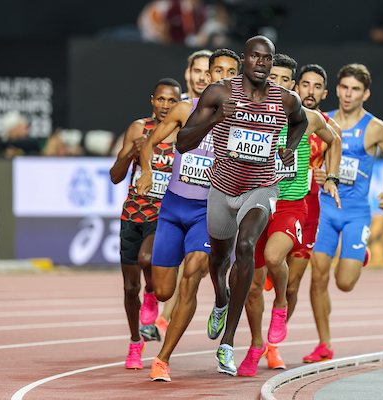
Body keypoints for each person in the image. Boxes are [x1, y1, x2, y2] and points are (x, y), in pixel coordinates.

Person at [168, 35, 309, 376]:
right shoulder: (219, 93)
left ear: (271, 62)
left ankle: (228, 343)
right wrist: (216, 118)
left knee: (245, 247)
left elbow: (301, 121)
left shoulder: (285, 99)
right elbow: (182, 143)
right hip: (221, 189)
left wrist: (289, 147)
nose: (261, 63)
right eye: (255, 57)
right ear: (244, 59)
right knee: (218, 262)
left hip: (261, 188)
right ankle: (221, 299)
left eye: (267, 58)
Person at [135, 49, 241, 382]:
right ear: (207, 76)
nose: (224, 77)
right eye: (218, 70)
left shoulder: (243, 119)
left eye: (231, 72)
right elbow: (149, 143)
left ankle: (162, 358)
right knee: (164, 291)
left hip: (208, 211)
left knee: (193, 272)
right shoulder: (184, 109)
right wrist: (147, 171)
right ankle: (160, 301)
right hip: (172, 209)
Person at [237, 56, 341, 376]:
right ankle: (256, 346)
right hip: (257, 203)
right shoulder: (252, 113)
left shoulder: (309, 117)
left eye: (285, 80)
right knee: (253, 287)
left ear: (292, 85)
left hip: (293, 205)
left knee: (279, 264)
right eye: (274, 78)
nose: (279, 85)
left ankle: (279, 313)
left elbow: (335, 140)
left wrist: (331, 177)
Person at [306, 63, 383, 363]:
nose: (349, 95)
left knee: (344, 283)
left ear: (366, 94)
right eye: (345, 88)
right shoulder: (322, 121)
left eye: (356, 90)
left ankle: (359, 253)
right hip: (325, 208)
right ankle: (324, 343)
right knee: (318, 276)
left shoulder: (374, 128)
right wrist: (318, 173)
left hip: (355, 212)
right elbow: (310, 157)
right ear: (336, 90)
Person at [109, 78, 181, 370]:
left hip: (163, 214)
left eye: (172, 101)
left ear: (179, 104)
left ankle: (151, 293)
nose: (165, 105)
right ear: (152, 100)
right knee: (129, 288)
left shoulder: (184, 135)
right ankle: (135, 341)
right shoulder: (138, 129)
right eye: (161, 99)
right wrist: (131, 152)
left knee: (146, 259)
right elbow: (115, 176)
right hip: (132, 214)